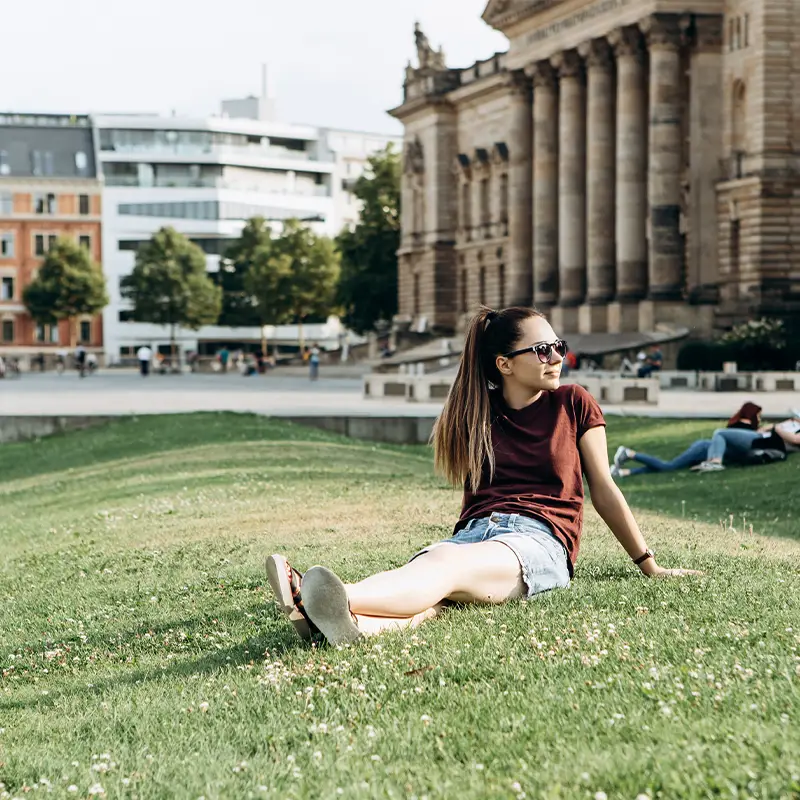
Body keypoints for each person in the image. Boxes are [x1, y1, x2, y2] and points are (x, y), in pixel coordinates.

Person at [265, 306, 700, 647]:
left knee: (444, 568)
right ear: (504, 364)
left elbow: (603, 489)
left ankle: (320, 597)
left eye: (558, 346)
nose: (557, 358)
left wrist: (649, 565)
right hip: (474, 533)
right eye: (542, 350)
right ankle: (352, 624)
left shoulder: (573, 402)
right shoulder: (476, 412)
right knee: (438, 586)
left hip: (539, 542)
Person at [611, 402, 764, 478]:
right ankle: (629, 453)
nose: (760, 418)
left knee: (669, 468)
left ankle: (622, 472)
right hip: (703, 449)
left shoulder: (737, 425)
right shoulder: (746, 427)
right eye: (758, 415)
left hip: (704, 449)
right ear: (752, 414)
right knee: (669, 466)